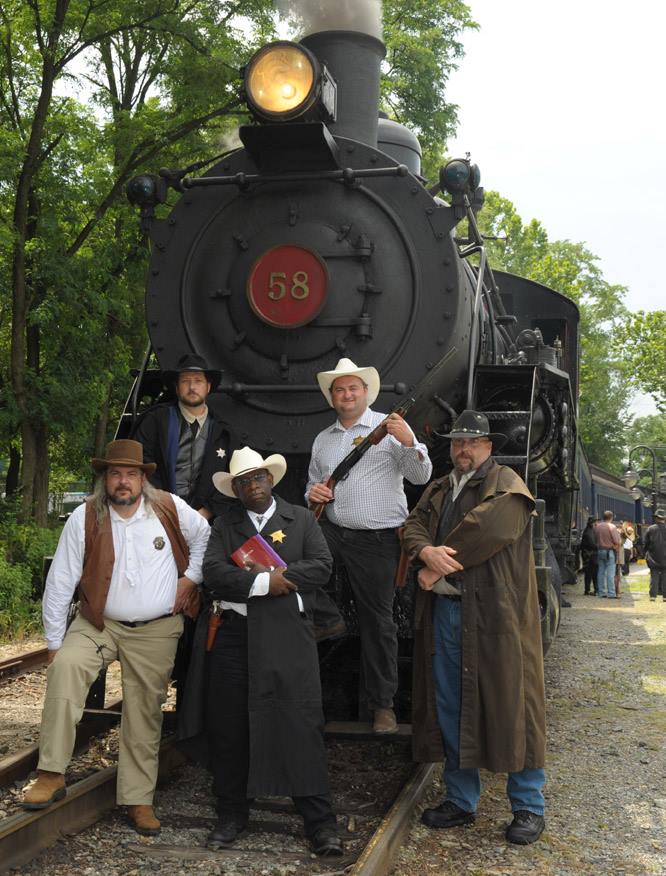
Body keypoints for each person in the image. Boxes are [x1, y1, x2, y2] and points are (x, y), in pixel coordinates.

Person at [22, 440, 210, 836]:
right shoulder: (85, 516)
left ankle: (138, 799)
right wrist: (55, 643)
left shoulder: (170, 508)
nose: (122, 481)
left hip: (157, 628)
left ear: (144, 478)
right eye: (114, 473)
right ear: (104, 479)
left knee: (145, 710)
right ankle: (51, 774)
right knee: (66, 671)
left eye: (130, 474)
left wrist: (190, 579)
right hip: (99, 623)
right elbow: (60, 581)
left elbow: (206, 538)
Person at [178, 447, 343, 857]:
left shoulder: (301, 519)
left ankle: (319, 820)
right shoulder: (225, 525)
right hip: (236, 636)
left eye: (258, 478)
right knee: (231, 726)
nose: (252, 486)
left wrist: (276, 575)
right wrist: (268, 585)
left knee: (300, 723)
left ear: (272, 480)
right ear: (234, 489)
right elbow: (214, 574)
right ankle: (232, 813)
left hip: (288, 635)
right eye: (243, 482)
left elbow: (322, 566)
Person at [402, 410, 547, 845]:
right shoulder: (440, 487)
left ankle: (528, 806)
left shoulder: (507, 485)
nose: (463, 449)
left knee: (513, 704)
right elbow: (411, 526)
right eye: (457, 442)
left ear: (488, 446)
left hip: (496, 617)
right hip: (446, 614)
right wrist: (426, 556)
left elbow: (487, 529)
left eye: (472, 442)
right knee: (450, 705)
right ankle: (461, 801)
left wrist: (435, 567)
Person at [306, 358, 432, 734]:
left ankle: (383, 706)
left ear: (365, 393)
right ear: (333, 397)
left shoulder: (390, 429)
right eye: (340, 390)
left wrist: (410, 442)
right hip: (332, 532)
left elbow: (421, 475)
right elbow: (315, 485)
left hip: (377, 541)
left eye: (353, 389)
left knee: (379, 623)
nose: (346, 395)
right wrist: (313, 492)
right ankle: (329, 621)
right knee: (295, 572)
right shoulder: (323, 439)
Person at [131, 353, 232, 521]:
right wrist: (163, 505)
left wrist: (204, 514)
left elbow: (231, 477)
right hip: (157, 514)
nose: (192, 387)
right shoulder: (155, 421)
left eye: (198, 381)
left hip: (207, 520)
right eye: (185, 381)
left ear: (208, 387)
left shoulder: (224, 431)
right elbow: (140, 463)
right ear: (177, 388)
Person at [595, 510, 621, 599]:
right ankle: (611, 593)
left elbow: (595, 538)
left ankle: (601, 592)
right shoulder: (612, 527)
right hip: (609, 551)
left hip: (599, 551)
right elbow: (617, 541)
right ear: (611, 517)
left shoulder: (597, 526)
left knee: (601, 572)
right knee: (610, 573)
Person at [644, 509, 666, 602]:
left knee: (654, 576)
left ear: (657, 518)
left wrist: (645, 553)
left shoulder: (650, 529)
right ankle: (665, 597)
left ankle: (653, 596)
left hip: (653, 557)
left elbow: (646, 543)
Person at [579, 516, 598, 595]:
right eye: (595, 523)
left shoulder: (589, 531)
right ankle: (589, 590)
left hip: (589, 555)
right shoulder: (589, 532)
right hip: (589, 556)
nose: (596, 524)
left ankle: (593, 589)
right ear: (592, 523)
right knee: (591, 573)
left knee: (591, 573)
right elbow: (592, 544)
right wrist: (599, 547)